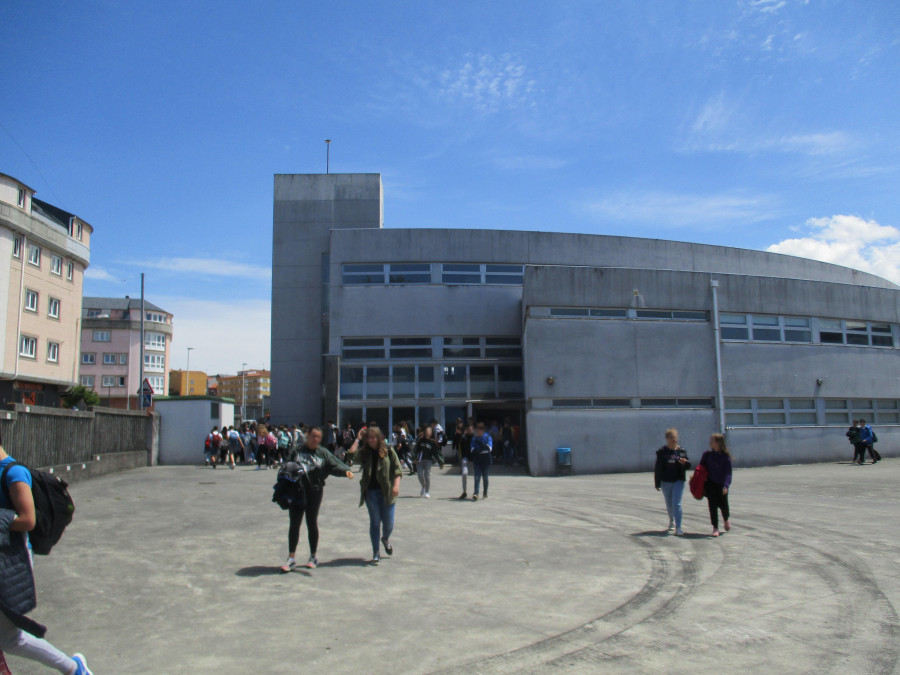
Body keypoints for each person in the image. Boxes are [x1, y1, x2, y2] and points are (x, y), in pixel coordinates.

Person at [0, 435, 93, 674]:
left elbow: (28, 519)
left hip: (11, 560)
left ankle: (74, 669)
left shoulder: (14, 473)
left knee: (12, 639)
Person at [281, 427, 354, 572]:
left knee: (311, 522)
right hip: (297, 491)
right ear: (307, 436)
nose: (315, 439)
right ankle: (291, 558)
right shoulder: (297, 451)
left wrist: (346, 471)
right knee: (294, 524)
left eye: (318, 437)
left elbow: (334, 465)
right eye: (313, 436)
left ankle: (313, 556)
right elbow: (286, 468)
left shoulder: (323, 453)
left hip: (314, 491)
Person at [350, 426, 402, 564]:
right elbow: (350, 457)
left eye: (374, 437)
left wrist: (396, 485)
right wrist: (357, 439)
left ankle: (385, 539)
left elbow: (397, 469)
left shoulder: (388, 450)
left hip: (387, 492)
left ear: (379, 438)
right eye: (369, 438)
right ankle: (376, 552)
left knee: (389, 524)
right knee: (375, 522)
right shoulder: (365, 452)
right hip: (371, 493)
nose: (371, 440)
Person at [654, 428, 690, 536]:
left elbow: (689, 465)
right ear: (667, 439)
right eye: (671, 438)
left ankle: (678, 527)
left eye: (674, 437)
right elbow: (658, 468)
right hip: (666, 481)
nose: (673, 440)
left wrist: (685, 462)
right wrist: (657, 482)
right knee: (669, 504)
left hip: (678, 480)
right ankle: (671, 522)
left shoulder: (681, 451)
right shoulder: (662, 452)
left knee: (676, 503)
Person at [699, 433, 733, 537]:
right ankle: (715, 527)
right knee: (712, 506)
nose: (710, 442)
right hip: (710, 484)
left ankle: (726, 519)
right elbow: (701, 467)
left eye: (712, 440)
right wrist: (697, 477)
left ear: (718, 442)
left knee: (724, 506)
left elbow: (728, 473)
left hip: (721, 485)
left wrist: (726, 486)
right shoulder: (707, 455)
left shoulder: (725, 458)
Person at [413, 426, 444, 498]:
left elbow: (436, 453)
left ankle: (427, 491)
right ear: (424, 432)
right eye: (427, 431)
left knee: (427, 476)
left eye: (429, 431)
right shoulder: (420, 440)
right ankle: (423, 486)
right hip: (420, 460)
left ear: (431, 433)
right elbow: (415, 449)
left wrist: (440, 461)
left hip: (428, 461)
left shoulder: (432, 442)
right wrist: (414, 458)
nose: (428, 432)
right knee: (420, 475)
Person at [470, 423, 493, 500]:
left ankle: (485, 492)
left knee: (485, 477)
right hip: (477, 460)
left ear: (482, 430)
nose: (477, 432)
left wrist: (482, 446)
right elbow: (472, 449)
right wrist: (479, 450)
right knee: (477, 477)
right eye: (477, 430)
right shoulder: (474, 438)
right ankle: (476, 493)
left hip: (486, 460)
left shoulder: (487, 437)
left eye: (479, 430)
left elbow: (489, 448)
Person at [455, 422, 474, 500]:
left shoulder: (475, 438)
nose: (469, 430)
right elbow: (460, 448)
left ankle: (476, 492)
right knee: (464, 474)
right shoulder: (463, 437)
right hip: (465, 459)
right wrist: (462, 457)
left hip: (473, 460)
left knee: (476, 477)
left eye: (471, 429)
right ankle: (464, 491)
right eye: (468, 429)